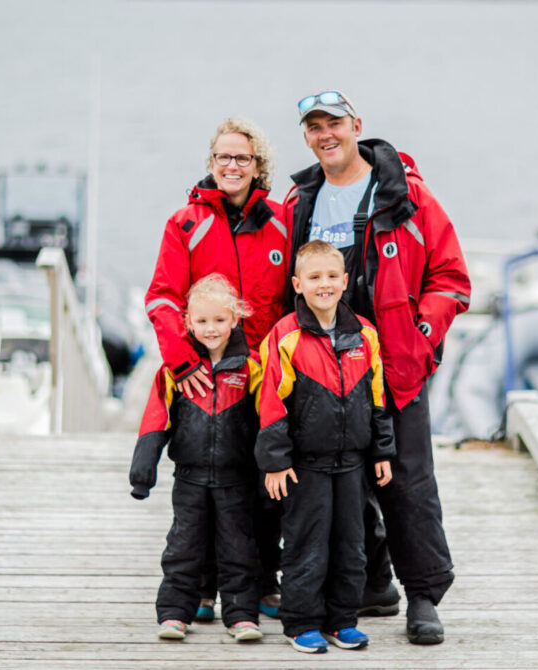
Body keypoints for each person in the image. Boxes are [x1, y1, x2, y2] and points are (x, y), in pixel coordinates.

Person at [283, 90, 471, 645]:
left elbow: (451, 278)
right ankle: (372, 583)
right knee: (340, 475)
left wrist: (421, 335)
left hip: (394, 363)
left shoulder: (406, 195)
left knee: (407, 481)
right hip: (324, 366)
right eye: (314, 127)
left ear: (355, 125)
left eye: (334, 123)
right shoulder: (300, 200)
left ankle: (423, 595)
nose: (326, 135)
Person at [144, 117, 288, 619]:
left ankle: (263, 580)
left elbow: (294, 299)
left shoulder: (280, 223)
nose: (232, 165)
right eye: (224, 157)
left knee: (264, 482)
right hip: (203, 378)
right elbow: (162, 298)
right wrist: (181, 361)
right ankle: (202, 587)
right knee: (205, 485)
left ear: (257, 166)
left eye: (242, 158)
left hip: (265, 377)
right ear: (211, 163)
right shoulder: (185, 222)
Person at [256, 240, 396, 653]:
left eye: (332, 276)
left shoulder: (365, 335)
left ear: (345, 281)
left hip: (352, 464)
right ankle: (301, 623)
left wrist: (382, 452)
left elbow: (377, 399)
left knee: (350, 546)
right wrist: (276, 462)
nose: (325, 284)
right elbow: (270, 404)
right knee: (306, 546)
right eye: (315, 277)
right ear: (298, 284)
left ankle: (342, 620)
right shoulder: (285, 336)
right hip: (305, 466)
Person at [130, 274, 264, 642]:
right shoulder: (176, 370)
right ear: (188, 322)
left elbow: (269, 419)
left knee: (238, 547)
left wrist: (272, 467)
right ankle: (175, 613)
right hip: (188, 478)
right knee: (184, 545)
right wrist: (143, 472)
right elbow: (156, 418)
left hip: (237, 479)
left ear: (235, 319)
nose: (210, 328)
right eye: (201, 321)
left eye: (219, 320)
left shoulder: (251, 367)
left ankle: (241, 616)